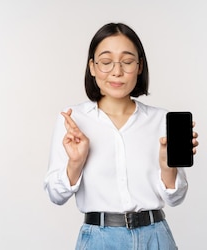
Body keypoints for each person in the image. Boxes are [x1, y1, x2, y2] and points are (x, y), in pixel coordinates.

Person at [43, 22, 199, 250]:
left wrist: (167, 167)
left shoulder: (161, 120)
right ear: (92, 67)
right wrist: (75, 163)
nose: (117, 71)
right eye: (106, 63)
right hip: (99, 239)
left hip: (155, 237)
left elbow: (175, 199)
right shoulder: (73, 119)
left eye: (127, 62)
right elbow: (56, 196)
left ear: (139, 66)